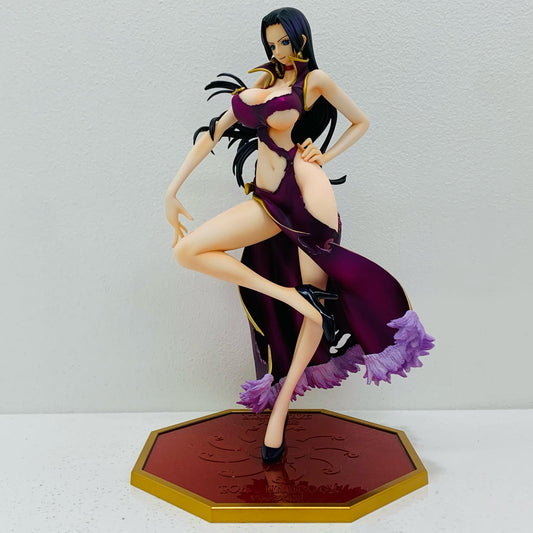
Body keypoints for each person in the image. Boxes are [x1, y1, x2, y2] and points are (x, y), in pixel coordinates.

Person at [165, 7, 435, 463]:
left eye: (284, 42)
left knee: (318, 298)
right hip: (266, 200)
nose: (277, 51)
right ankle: (287, 296)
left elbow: (361, 122)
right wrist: (171, 190)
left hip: (306, 191)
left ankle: (281, 410)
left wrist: (325, 155)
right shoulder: (265, 81)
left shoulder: (315, 81)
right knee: (188, 251)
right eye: (271, 43)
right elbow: (213, 131)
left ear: (301, 39)